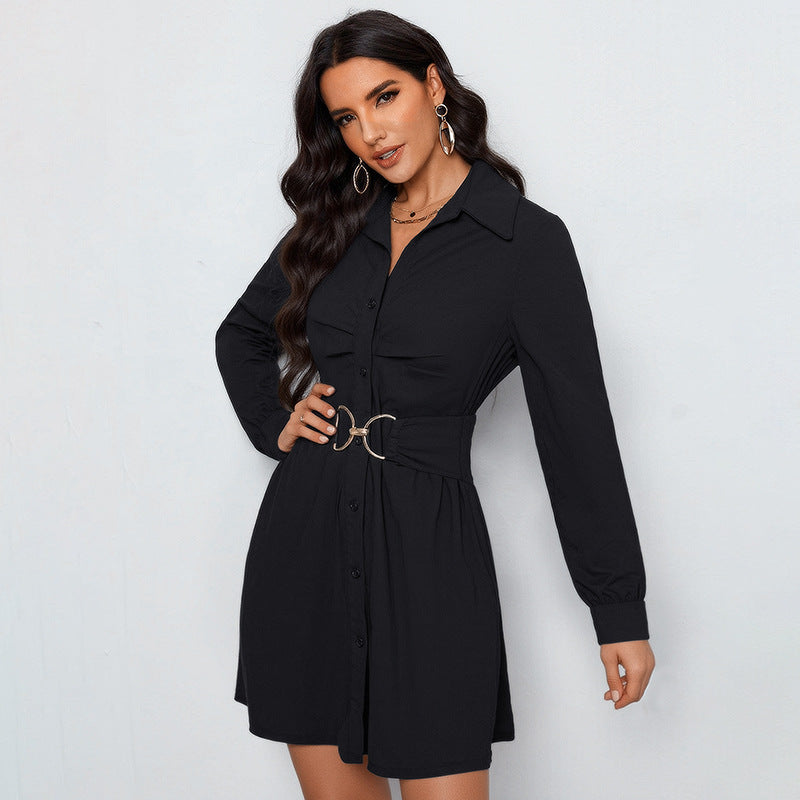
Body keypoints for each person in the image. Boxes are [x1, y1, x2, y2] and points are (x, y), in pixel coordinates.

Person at [215, 9, 656, 800]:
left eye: (384, 97)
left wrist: (618, 608)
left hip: (430, 559)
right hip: (306, 546)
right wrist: (275, 422)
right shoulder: (335, 224)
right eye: (346, 118)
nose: (370, 133)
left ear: (433, 85)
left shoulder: (525, 244)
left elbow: (577, 433)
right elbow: (241, 335)